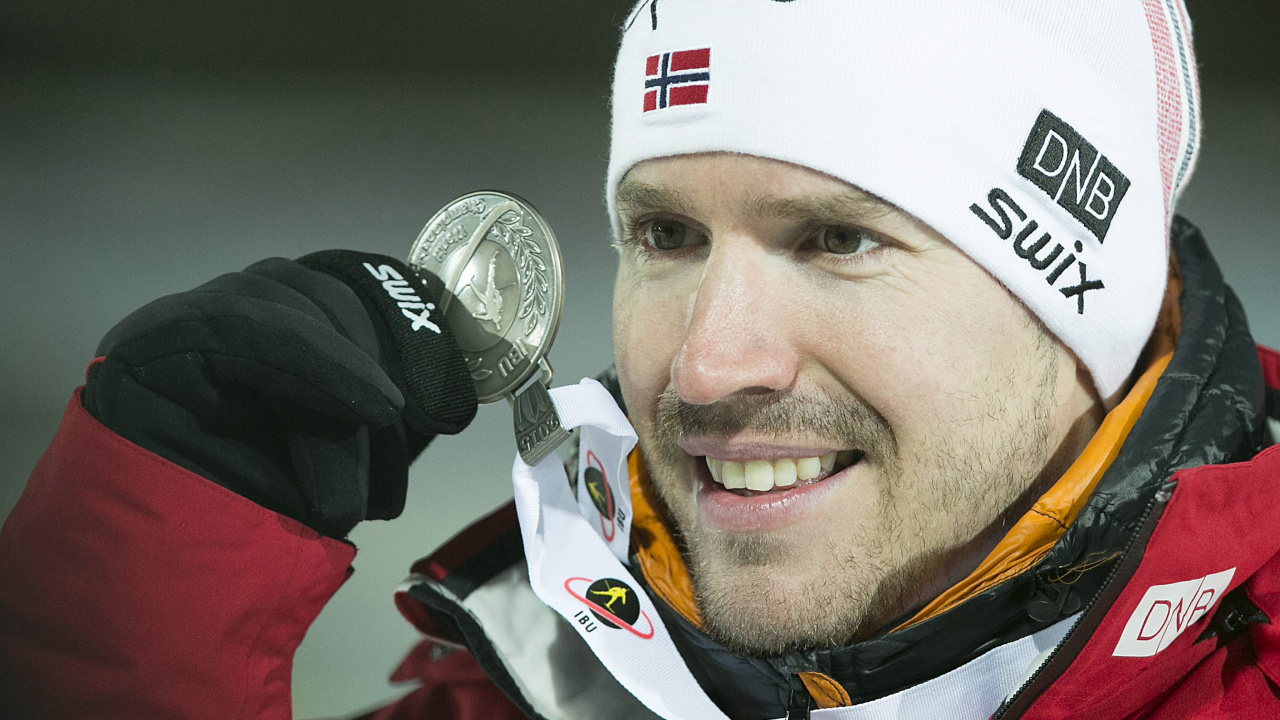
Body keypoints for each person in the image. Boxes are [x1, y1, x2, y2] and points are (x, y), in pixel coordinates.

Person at [3, 1, 1279, 718]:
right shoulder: (538, 688)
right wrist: (140, 585)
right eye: (665, 235)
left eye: (836, 239)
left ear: (1075, 301)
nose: (708, 365)